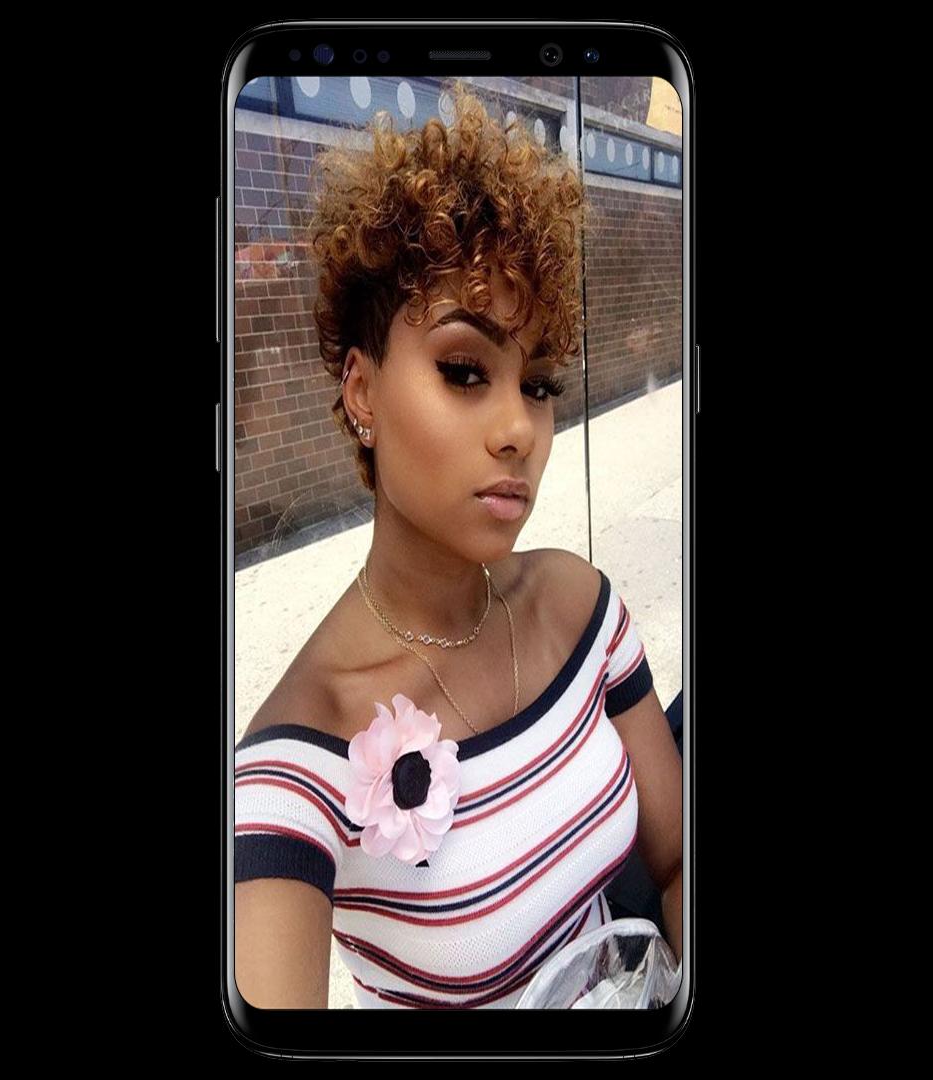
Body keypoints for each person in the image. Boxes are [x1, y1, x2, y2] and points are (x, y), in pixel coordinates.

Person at [234, 81, 683, 1009]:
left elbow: (674, 859)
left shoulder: (580, 607)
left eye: (540, 383)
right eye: (466, 371)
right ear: (362, 393)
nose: (519, 429)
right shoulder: (297, 761)